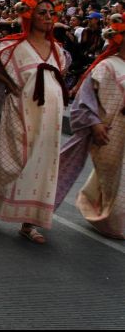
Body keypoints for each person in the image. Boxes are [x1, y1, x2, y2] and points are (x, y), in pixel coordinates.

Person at [0, 0, 71, 244]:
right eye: (42, 13)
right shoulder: (15, 46)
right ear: (30, 16)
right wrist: (7, 81)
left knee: (43, 167)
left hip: (50, 120)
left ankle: (30, 224)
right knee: (7, 163)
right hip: (18, 113)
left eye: (51, 13)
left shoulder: (59, 51)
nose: (48, 17)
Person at [56, 15, 125, 239]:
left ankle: (95, 204)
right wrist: (94, 123)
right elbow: (85, 100)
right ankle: (111, 221)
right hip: (111, 131)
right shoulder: (107, 65)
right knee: (114, 177)